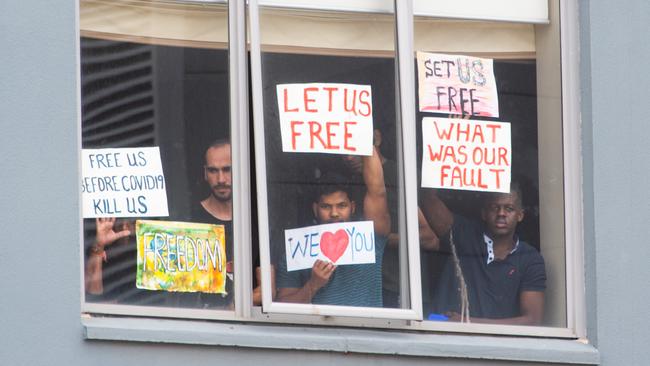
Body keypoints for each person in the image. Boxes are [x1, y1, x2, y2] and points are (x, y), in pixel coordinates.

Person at [275, 146, 390, 307]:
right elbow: (282, 305)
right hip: (319, 331)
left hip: (366, 330)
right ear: (315, 209)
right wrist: (313, 284)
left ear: (353, 207)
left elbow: (377, 191)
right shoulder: (297, 249)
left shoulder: (371, 237)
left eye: (342, 205)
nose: (334, 213)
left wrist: (364, 137)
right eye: (326, 207)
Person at [420, 183, 546, 325]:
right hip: (450, 339)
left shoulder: (530, 259)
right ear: (484, 213)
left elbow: (532, 321)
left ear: (520, 215)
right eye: (495, 207)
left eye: (509, 208)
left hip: (504, 344)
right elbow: (429, 201)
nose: (501, 213)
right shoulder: (465, 236)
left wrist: (467, 322)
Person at [342, 129, 439, 308]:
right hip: (362, 286)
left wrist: (372, 241)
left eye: (355, 147)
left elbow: (430, 239)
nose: (348, 157)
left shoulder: (401, 177)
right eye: (342, 149)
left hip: (398, 288)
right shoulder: (345, 181)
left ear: (376, 139)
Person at [190, 139, 273, 306]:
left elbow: (268, 290)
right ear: (205, 174)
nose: (221, 179)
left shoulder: (256, 220)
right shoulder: (190, 219)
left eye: (227, 170)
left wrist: (231, 310)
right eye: (213, 171)